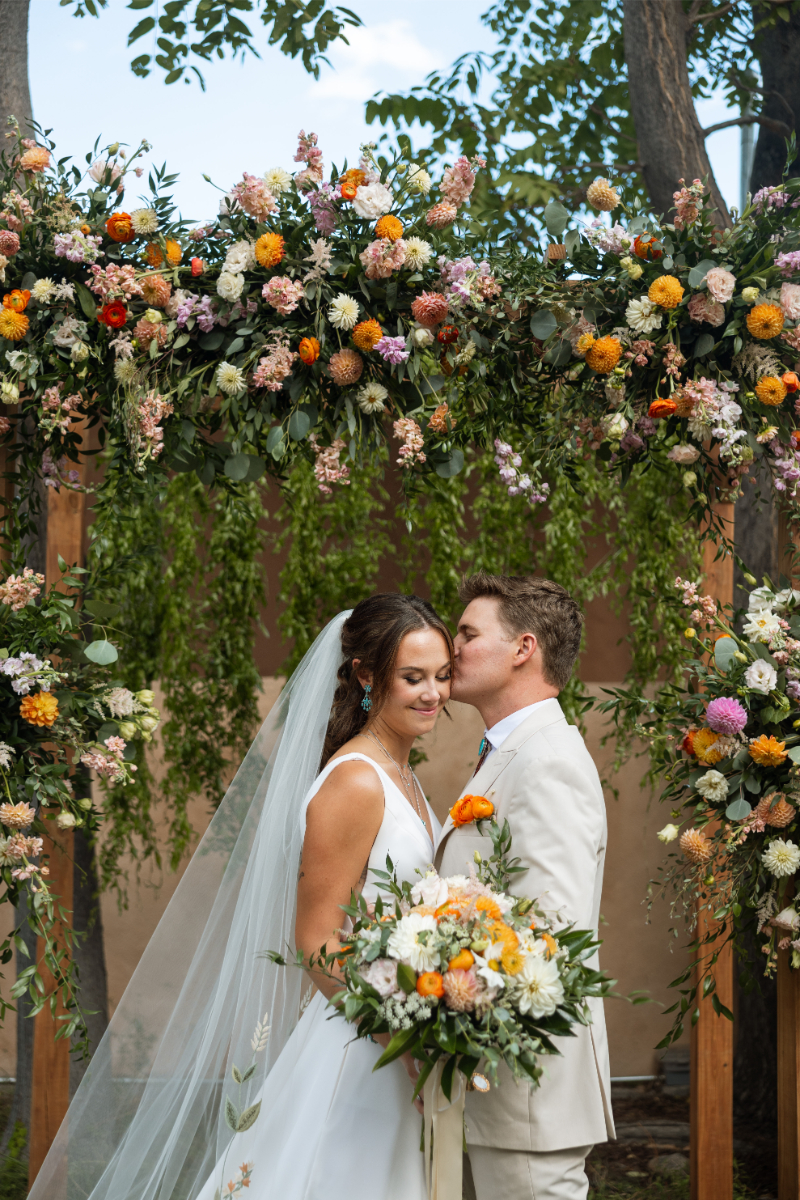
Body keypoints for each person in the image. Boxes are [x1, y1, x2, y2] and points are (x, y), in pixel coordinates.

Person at [29, 595, 452, 1200]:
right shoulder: (357, 780)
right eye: (413, 677)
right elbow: (317, 941)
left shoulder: (401, 772)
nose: (432, 693)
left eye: (441, 676)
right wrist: (396, 1031)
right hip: (364, 1044)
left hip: (395, 1038)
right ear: (365, 674)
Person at [437, 572, 614, 1200]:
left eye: (467, 632)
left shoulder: (547, 763)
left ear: (523, 648)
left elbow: (549, 933)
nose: (449, 646)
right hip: (497, 1085)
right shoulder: (510, 755)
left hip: (528, 1092)